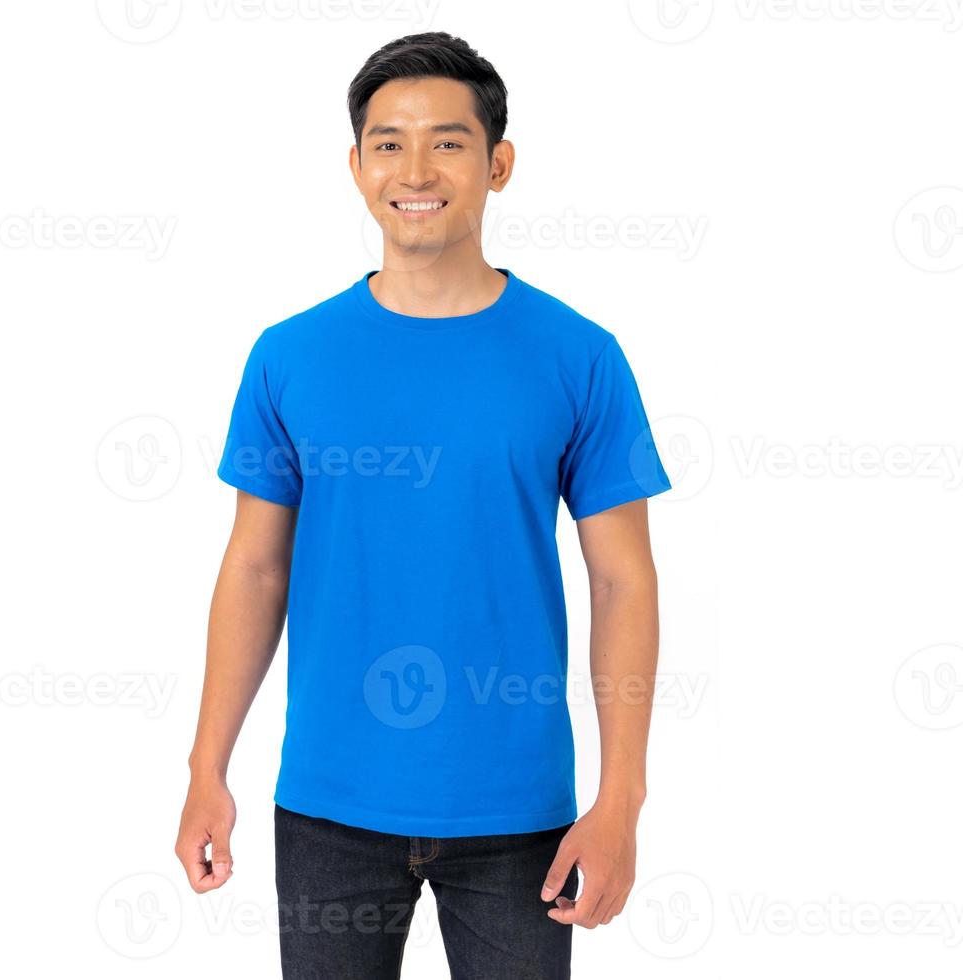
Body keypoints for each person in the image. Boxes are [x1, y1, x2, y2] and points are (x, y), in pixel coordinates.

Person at [175, 31, 671, 979]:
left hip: (521, 816)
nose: (416, 169)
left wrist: (621, 803)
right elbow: (254, 567)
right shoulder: (290, 355)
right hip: (328, 801)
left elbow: (623, 580)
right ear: (356, 165)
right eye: (388, 142)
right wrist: (206, 768)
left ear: (499, 164)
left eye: (447, 141)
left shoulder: (579, 356)